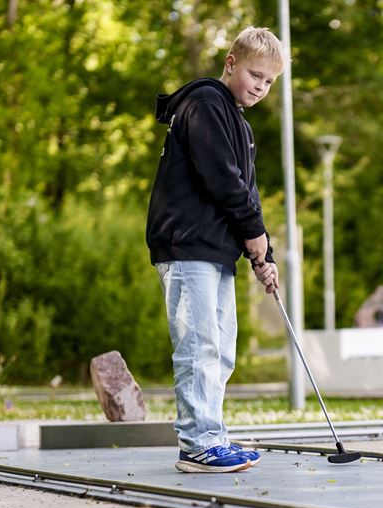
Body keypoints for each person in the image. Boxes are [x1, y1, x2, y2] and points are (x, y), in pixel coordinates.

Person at [147, 27, 285, 472]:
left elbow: (247, 192)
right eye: (255, 75)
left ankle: (212, 435)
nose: (260, 87)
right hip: (188, 244)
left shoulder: (238, 122)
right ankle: (197, 444)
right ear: (230, 62)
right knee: (199, 345)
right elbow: (223, 179)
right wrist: (253, 234)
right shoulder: (205, 103)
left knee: (221, 349)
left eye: (269, 82)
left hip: (215, 249)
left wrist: (264, 253)